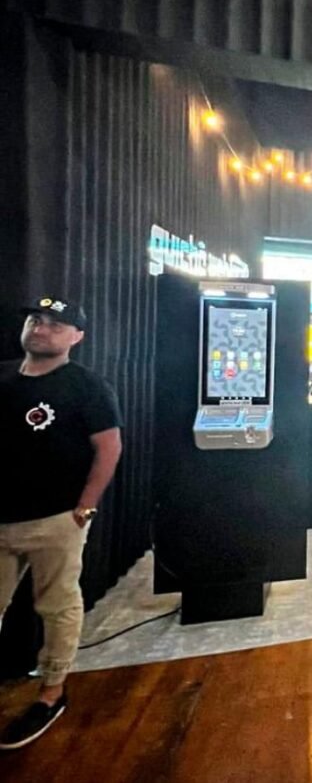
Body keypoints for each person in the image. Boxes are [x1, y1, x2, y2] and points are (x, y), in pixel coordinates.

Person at [0, 296, 123, 750]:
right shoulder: (3, 377)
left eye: (55, 324)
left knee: (57, 606)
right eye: (36, 320)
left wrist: (85, 507)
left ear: (77, 337)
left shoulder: (87, 387)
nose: (42, 329)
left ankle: (51, 692)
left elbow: (108, 448)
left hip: (55, 519)